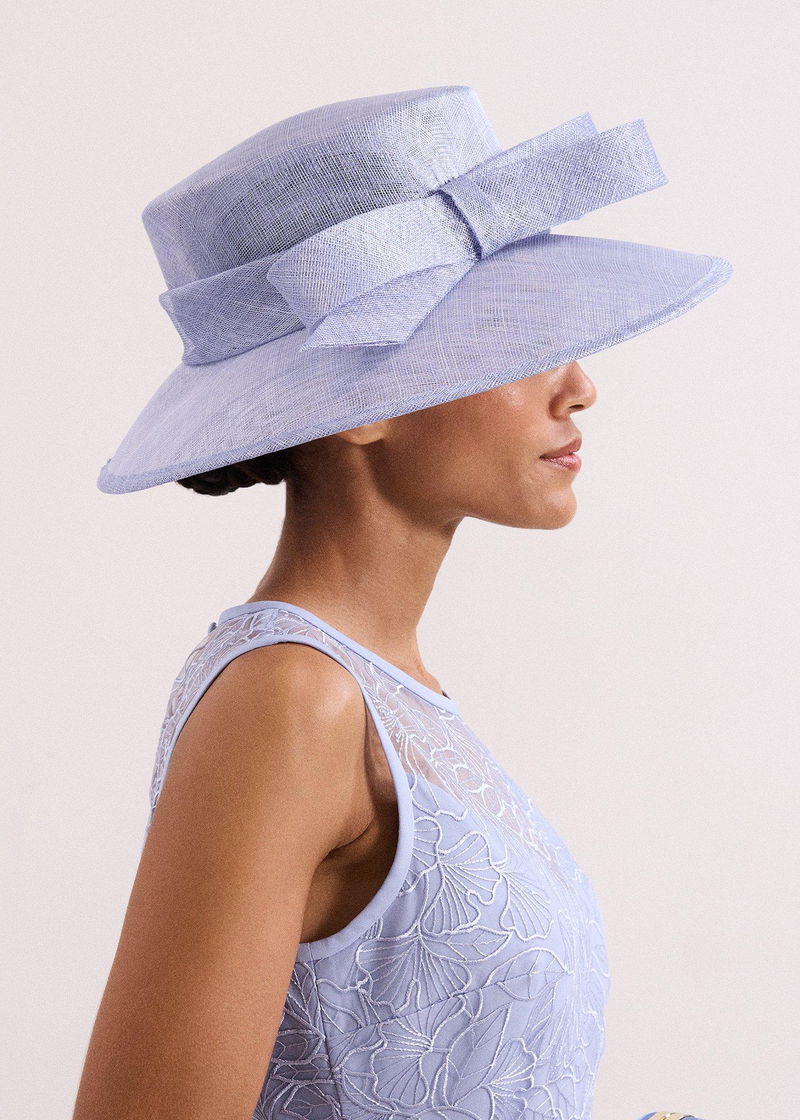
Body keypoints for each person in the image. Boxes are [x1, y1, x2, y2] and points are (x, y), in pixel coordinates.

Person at [75, 86, 729, 1120]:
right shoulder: (292, 700)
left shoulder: (390, 698)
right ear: (360, 404)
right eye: (512, 334)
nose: (577, 386)